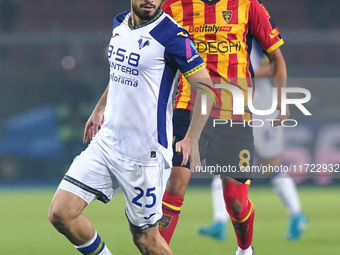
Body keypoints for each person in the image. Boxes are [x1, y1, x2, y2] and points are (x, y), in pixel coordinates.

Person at [47, 0, 214, 254]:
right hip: (106, 144)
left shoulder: (173, 36)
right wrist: (101, 106)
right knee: (60, 214)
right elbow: (119, 72)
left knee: (146, 240)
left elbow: (207, 89)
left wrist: (192, 136)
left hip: (143, 156)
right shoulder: (120, 23)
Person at [160, 0, 289, 254]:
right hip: (188, 106)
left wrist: (282, 100)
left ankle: (245, 249)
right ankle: (156, 248)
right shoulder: (173, 6)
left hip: (235, 113)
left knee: (236, 201)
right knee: (175, 182)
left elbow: (275, 57)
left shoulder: (248, 5)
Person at [197, 39, 308, 242]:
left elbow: (274, 64)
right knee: (223, 163)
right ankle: (219, 223)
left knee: (270, 165)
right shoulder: (223, 30)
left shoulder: (254, 34)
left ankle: (297, 214)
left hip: (262, 103)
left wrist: (245, 74)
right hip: (233, 102)